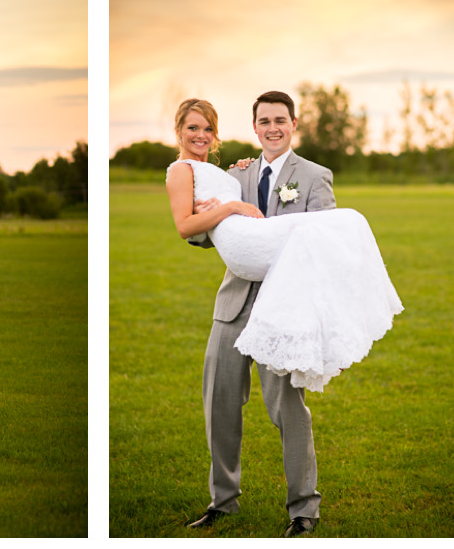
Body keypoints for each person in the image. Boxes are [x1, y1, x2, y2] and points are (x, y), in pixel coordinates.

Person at [166, 93, 402, 537]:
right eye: (263, 121)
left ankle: (303, 510)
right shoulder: (235, 173)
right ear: (254, 127)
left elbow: (326, 240)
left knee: (288, 409)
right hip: (234, 304)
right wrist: (212, 213)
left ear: (293, 124)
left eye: (280, 120)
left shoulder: (314, 176)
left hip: (287, 308)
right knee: (218, 403)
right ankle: (223, 501)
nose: (272, 128)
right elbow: (203, 236)